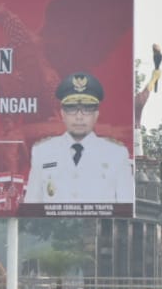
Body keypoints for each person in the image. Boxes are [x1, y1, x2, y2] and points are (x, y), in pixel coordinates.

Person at [24, 72, 133, 204]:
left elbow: (126, 206)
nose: (79, 117)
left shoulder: (116, 153)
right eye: (72, 108)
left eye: (87, 109)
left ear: (96, 114)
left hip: (99, 223)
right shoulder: (42, 151)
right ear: (62, 114)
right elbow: (32, 204)